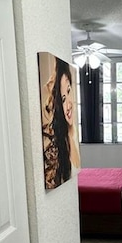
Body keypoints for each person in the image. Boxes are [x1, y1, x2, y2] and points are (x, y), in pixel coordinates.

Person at [42, 57, 80, 189]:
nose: (68, 104)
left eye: (69, 91)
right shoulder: (59, 147)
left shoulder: (73, 138)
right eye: (63, 99)